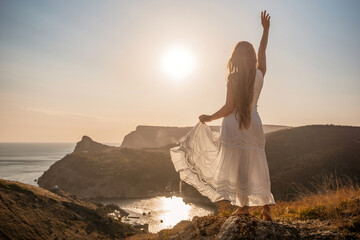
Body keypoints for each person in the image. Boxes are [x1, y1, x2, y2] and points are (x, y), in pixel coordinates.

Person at [170, 10, 275, 221]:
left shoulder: (234, 77)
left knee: (239, 167)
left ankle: (244, 206)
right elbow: (263, 50)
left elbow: (229, 107)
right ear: (252, 57)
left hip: (234, 124)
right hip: (254, 123)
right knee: (257, 162)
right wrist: (265, 31)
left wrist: (208, 117)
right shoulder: (259, 74)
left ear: (235, 57)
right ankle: (266, 207)